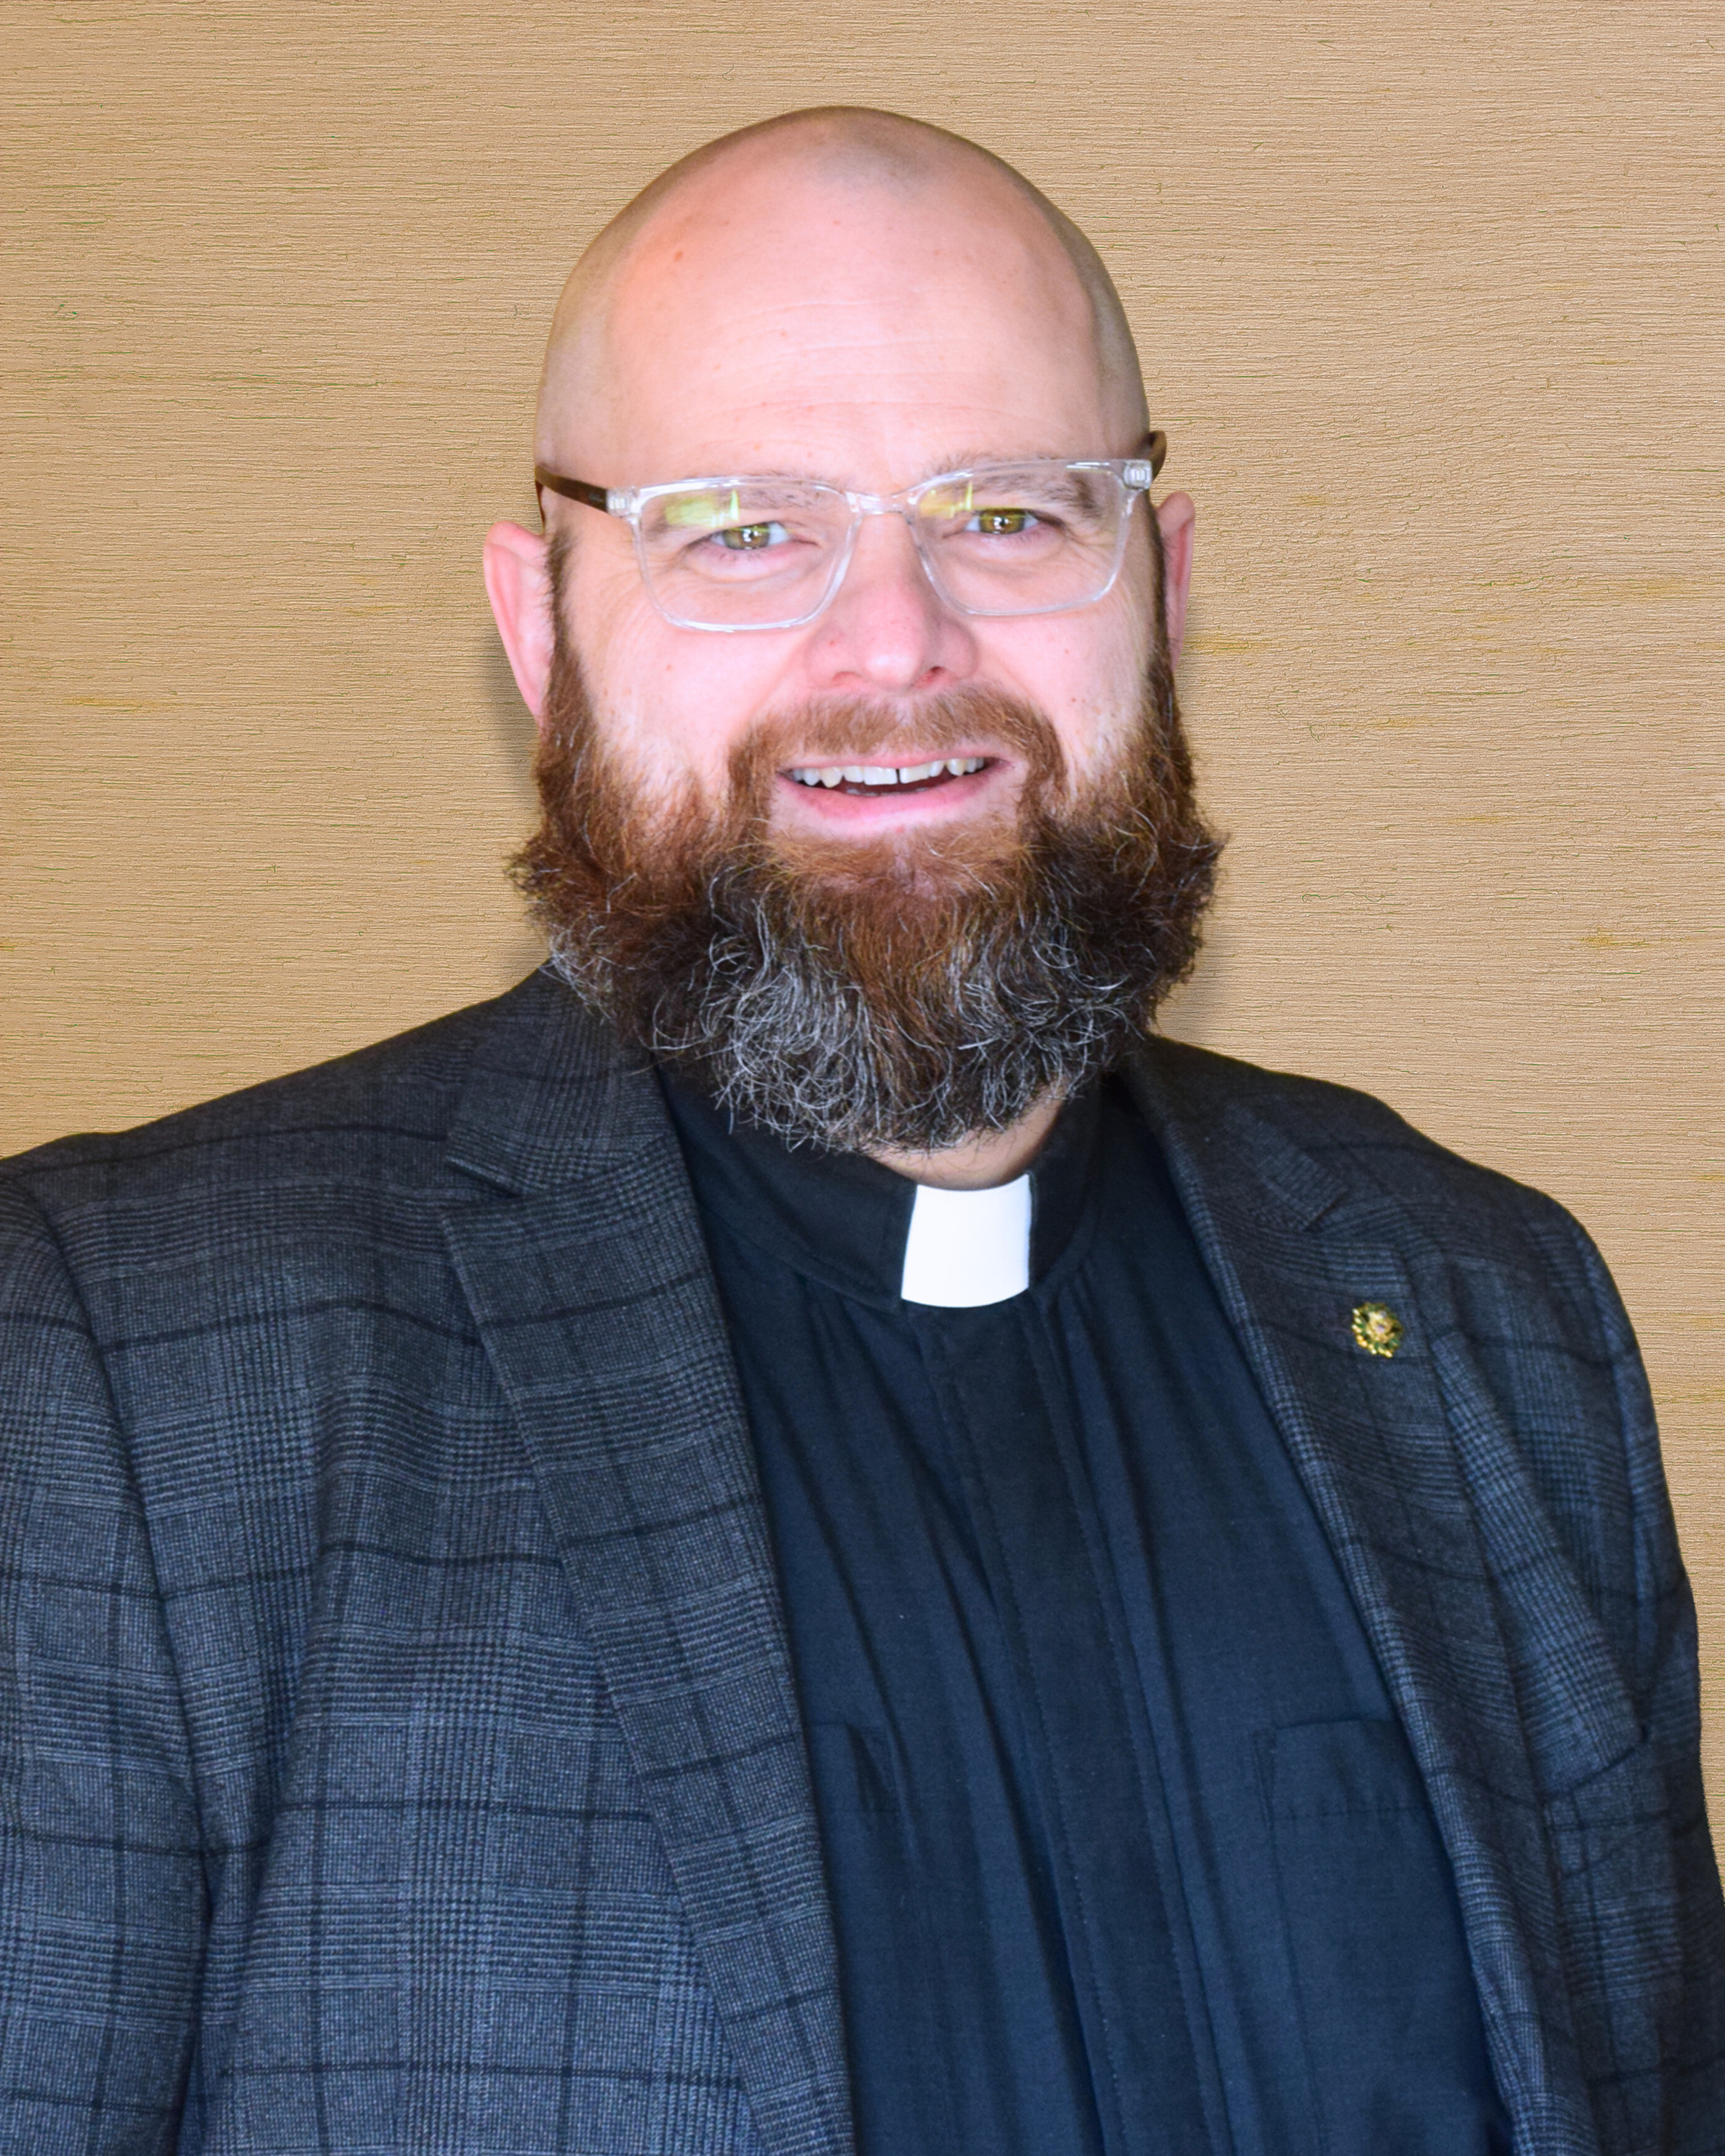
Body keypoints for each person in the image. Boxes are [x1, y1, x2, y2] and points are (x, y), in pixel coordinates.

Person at [0, 104, 1718, 2156]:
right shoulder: (118, 1374)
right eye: (742, 526)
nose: (895, 647)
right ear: (544, 633)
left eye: (1009, 516)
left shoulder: (1488, 1311)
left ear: (1159, 583)